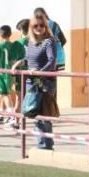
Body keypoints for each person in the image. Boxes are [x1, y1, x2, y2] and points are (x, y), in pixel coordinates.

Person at [19, 13, 60, 150]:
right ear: (31, 27)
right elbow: (29, 59)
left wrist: (39, 72)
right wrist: (19, 63)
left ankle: (45, 146)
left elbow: (52, 61)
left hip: (44, 83)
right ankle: (43, 144)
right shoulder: (30, 42)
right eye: (35, 25)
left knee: (43, 116)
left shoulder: (50, 41)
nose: (39, 28)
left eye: (42, 25)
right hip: (32, 82)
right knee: (34, 113)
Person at [0, 25, 24, 124]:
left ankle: (11, 114)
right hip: (11, 74)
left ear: (0, 34)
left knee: (5, 94)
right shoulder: (15, 46)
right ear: (10, 34)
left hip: (1, 74)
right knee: (3, 93)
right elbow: (21, 57)